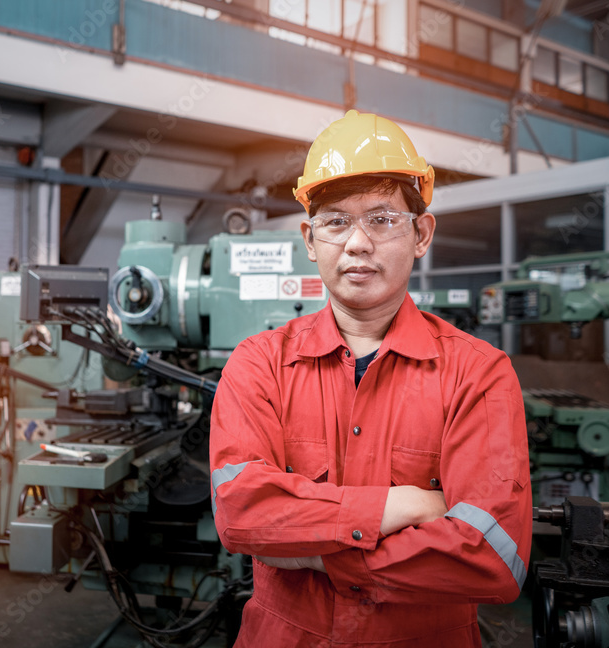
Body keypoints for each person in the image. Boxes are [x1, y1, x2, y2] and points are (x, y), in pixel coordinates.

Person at [209, 110, 531, 647]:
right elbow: (242, 516)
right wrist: (400, 507)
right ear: (311, 241)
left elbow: (492, 558)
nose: (357, 243)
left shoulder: (478, 372)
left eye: (382, 219)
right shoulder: (258, 362)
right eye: (336, 221)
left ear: (421, 233)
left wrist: (316, 551)